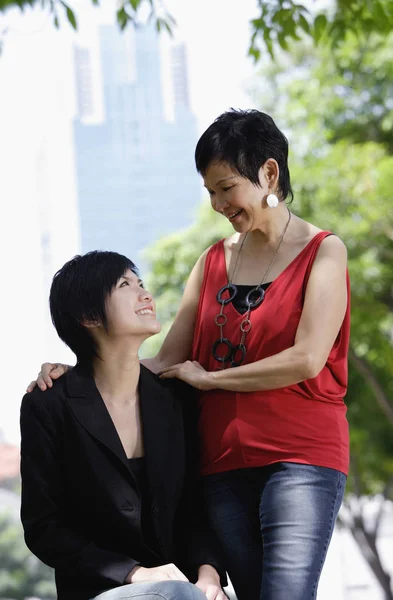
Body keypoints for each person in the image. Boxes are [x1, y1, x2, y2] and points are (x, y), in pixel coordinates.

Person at [28, 109, 350, 600]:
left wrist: (212, 380)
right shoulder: (214, 260)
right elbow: (165, 359)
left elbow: (307, 359)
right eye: (210, 192)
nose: (219, 204)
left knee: (286, 593)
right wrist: (77, 375)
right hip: (220, 462)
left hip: (299, 456)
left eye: (226, 188)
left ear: (268, 173)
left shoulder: (324, 252)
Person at [20, 250, 227, 600]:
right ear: (87, 315)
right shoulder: (50, 404)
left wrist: (209, 575)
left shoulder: (176, 398)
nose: (145, 294)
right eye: (125, 285)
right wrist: (135, 573)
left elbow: (197, 505)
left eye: (141, 283)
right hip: (101, 590)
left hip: (186, 589)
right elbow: (44, 528)